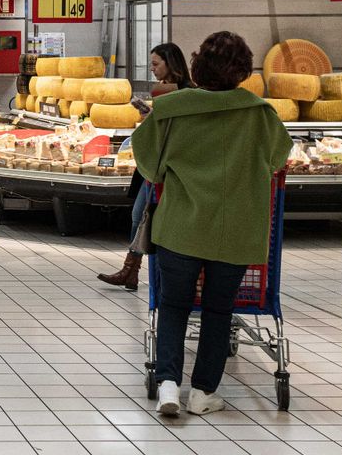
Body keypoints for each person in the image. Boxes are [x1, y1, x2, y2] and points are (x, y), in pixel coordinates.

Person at [132, 31, 291, 417]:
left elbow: (149, 165)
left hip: (181, 228)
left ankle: (169, 385)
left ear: (199, 67)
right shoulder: (260, 113)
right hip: (237, 231)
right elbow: (277, 159)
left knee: (173, 306)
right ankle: (203, 392)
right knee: (219, 312)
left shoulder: (170, 110)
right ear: (242, 71)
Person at [98, 43, 194, 290]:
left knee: (151, 219)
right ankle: (132, 269)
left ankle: (149, 273)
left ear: (170, 63)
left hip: (170, 168)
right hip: (152, 166)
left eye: (155, 64)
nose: (152, 69)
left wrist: (151, 117)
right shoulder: (163, 91)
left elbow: (176, 130)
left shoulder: (187, 93)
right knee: (139, 215)